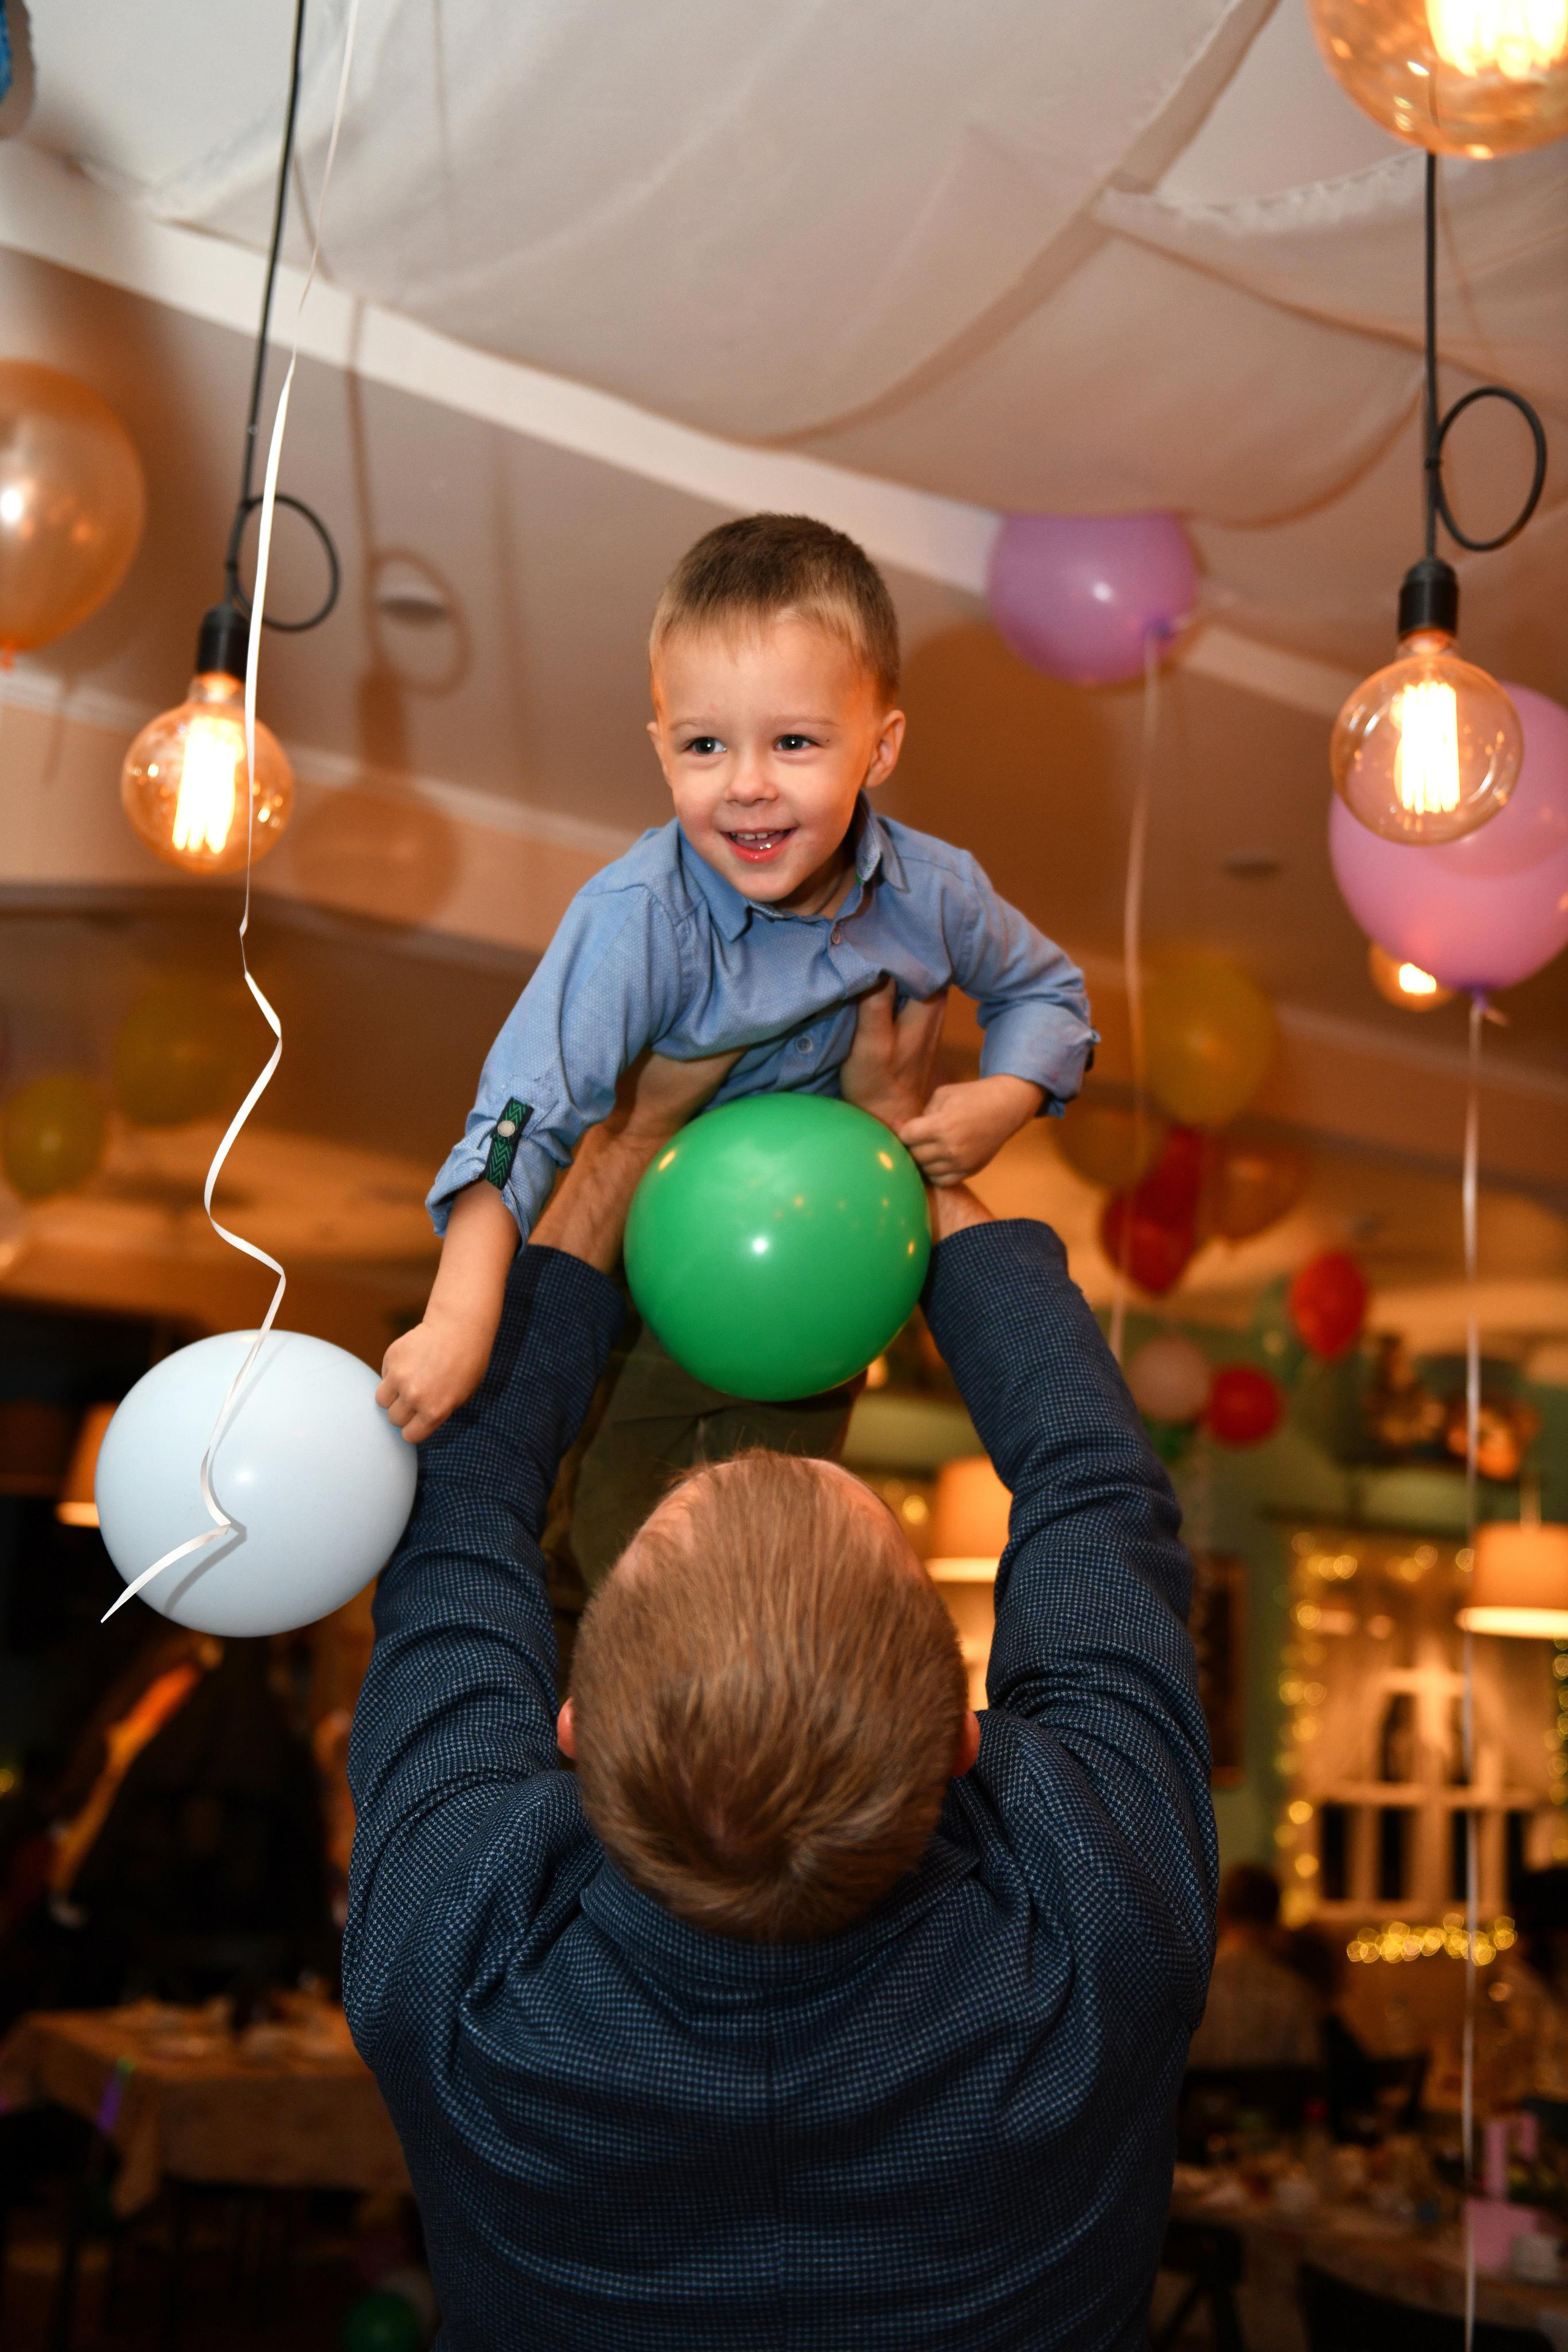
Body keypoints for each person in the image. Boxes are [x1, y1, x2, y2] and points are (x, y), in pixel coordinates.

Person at [344, 991, 1215, 2352]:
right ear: (962, 1740)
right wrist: (892, 1152)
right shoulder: (1095, 1918)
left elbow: (454, 1510)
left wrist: (623, 1154)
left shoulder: (449, 1963)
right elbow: (1095, 1489)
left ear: (569, 1722)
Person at [376, 514, 1096, 1580]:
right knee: (621, 1553)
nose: (746, 784)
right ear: (661, 745)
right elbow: (524, 1113)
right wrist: (458, 1313)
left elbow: (1048, 991)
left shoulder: (933, 893)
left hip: (824, 1278)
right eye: (706, 745)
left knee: (774, 1551)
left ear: (880, 747)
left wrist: (1008, 1094)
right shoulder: (640, 916)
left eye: (794, 743)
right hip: (654, 1269)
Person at [1185, 1862, 1320, 2071]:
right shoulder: (1294, 1990)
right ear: (1275, 1918)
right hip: (1271, 2103)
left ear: (1222, 1912)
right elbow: (1306, 2072)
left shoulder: (1195, 1983)